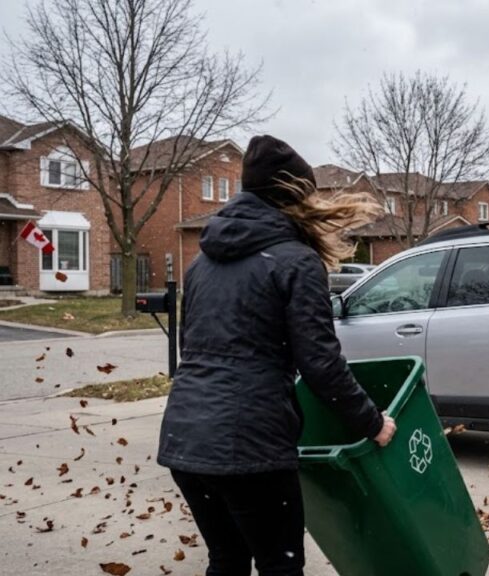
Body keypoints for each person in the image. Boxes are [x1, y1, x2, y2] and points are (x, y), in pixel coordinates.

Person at [157, 135, 396, 575]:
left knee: (226, 561)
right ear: (293, 196)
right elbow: (321, 364)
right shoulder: (296, 261)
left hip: (185, 440)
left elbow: (191, 349)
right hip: (251, 445)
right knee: (279, 566)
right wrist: (373, 423)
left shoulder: (201, 263)